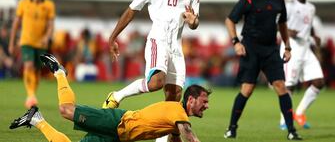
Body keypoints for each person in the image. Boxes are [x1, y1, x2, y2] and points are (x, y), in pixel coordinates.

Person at [10, 53, 210, 142]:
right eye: (204, 101)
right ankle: (60, 72)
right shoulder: (177, 110)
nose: (207, 106)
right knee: (65, 110)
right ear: (191, 100)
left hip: (119, 136)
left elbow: (177, 138)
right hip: (116, 123)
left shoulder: (176, 120)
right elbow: (189, 136)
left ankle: (36, 119)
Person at [102, 0, 199, 110]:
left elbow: (195, 23)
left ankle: (162, 136)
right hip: (158, 41)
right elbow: (131, 11)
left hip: (176, 46)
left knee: (174, 99)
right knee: (156, 83)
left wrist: (192, 21)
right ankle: (117, 96)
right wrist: (113, 37)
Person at [223, 0, 301, 140]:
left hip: (271, 49)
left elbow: (282, 24)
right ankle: (232, 128)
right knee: (247, 89)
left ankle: (291, 131)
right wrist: (236, 42)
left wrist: (287, 47)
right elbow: (230, 20)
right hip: (250, 48)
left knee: (281, 87)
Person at [279, 0, 325, 130]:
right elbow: (279, 23)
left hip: (306, 46)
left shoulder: (311, 8)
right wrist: (288, 31)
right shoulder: (290, 6)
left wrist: (314, 36)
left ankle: (299, 112)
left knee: (319, 82)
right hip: (291, 47)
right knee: (289, 86)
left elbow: (308, 24)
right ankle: (284, 120)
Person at [8, 0, 55, 108]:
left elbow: (51, 25)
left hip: (41, 44)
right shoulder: (24, 3)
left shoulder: (48, 5)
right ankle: (30, 95)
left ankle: (32, 94)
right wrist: (12, 43)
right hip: (26, 41)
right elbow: (16, 24)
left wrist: (47, 37)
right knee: (28, 66)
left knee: (37, 71)